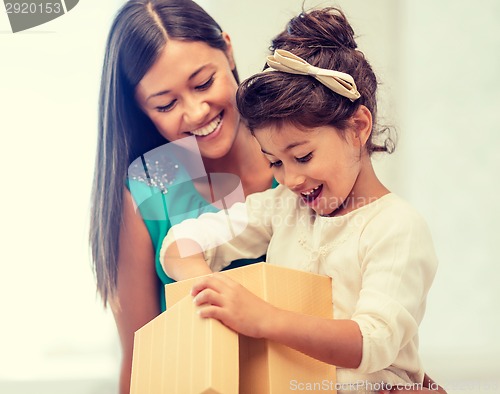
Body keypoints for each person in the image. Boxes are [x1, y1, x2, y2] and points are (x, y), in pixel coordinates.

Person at [160, 7, 446, 394]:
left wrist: (263, 318)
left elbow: (373, 343)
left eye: (303, 156)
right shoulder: (283, 208)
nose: (290, 179)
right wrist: (210, 289)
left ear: (358, 127)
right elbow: (181, 242)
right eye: (274, 162)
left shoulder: (396, 227)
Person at [89, 0, 276, 392]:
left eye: (204, 83)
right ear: (143, 110)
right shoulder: (147, 193)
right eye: (166, 104)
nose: (195, 112)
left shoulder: (299, 155)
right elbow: (141, 362)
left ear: (228, 49)